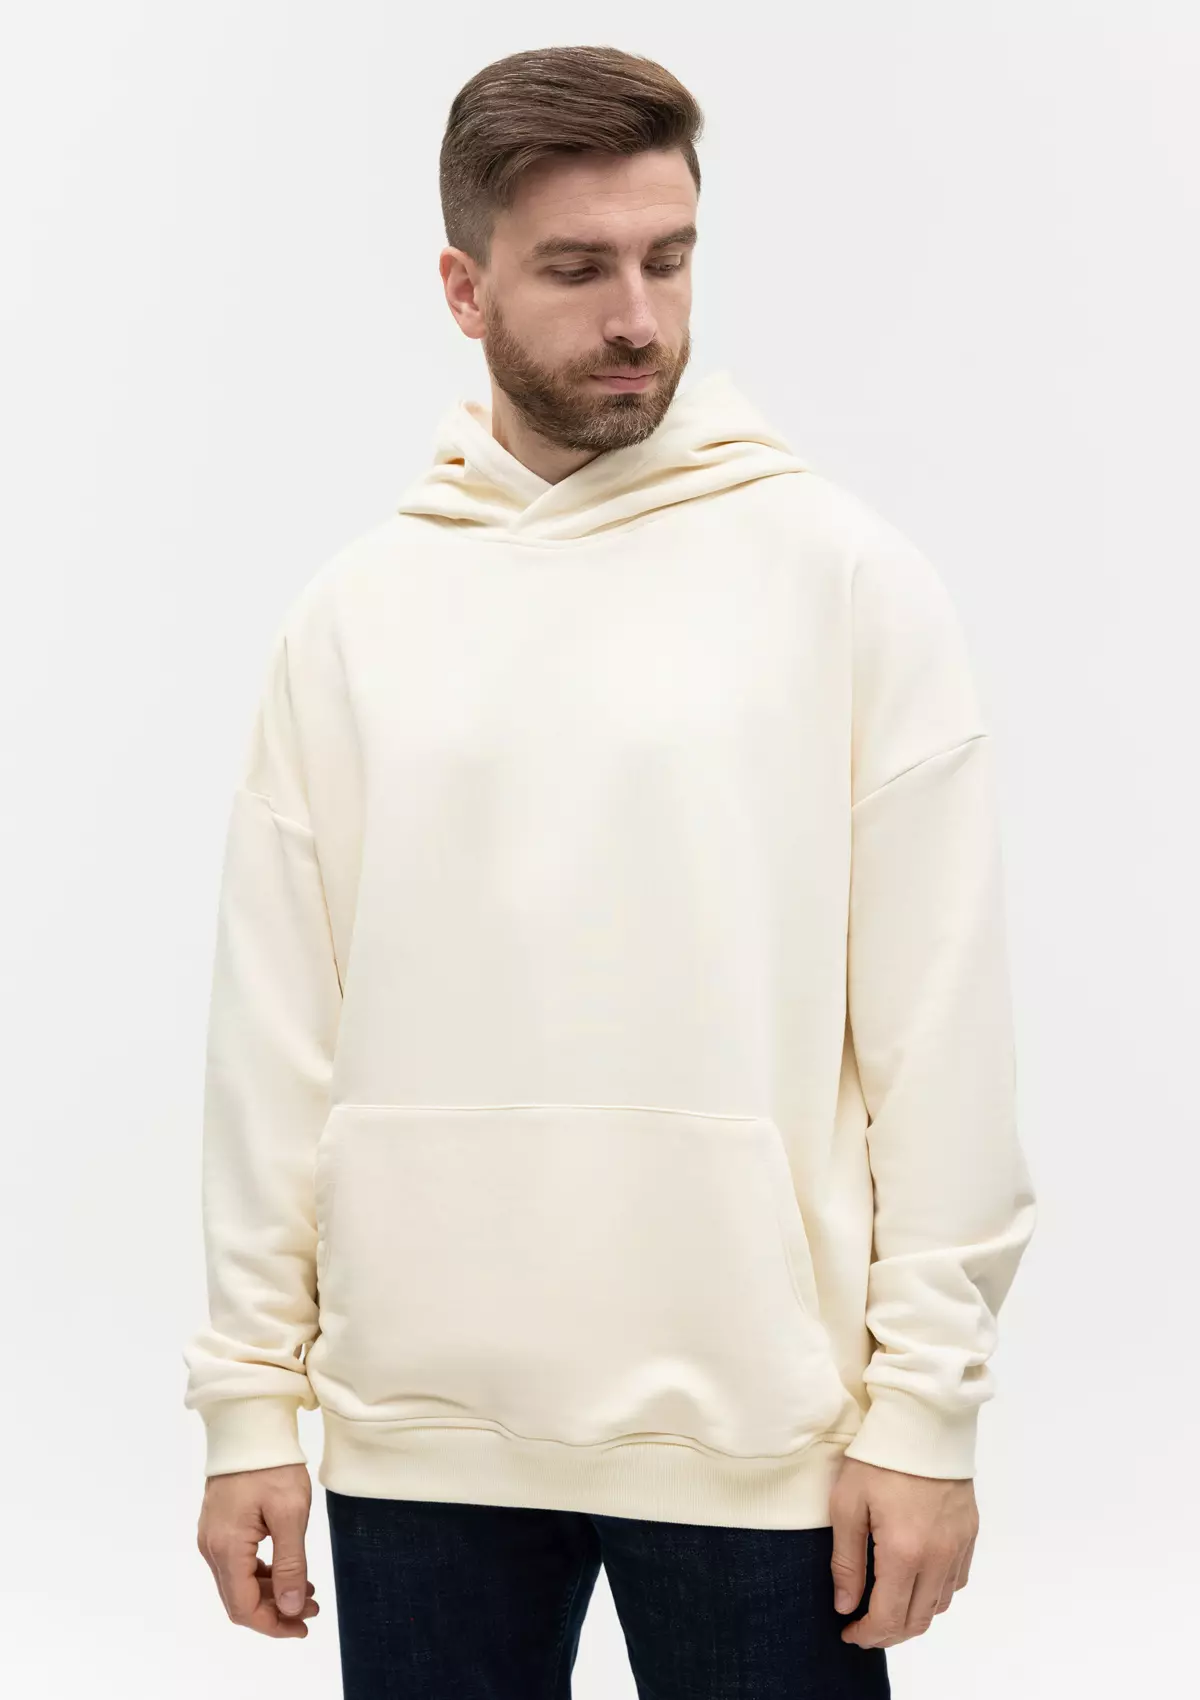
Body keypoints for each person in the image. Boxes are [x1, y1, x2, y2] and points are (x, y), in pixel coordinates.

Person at [183, 43, 1037, 1699]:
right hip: (417, 1429)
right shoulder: (354, 620)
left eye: (669, 258)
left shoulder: (843, 582)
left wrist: (926, 1415)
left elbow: (941, 1038)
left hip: (756, 1437)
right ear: (464, 287)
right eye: (578, 269)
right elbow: (272, 1047)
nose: (638, 315)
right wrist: (246, 1408)